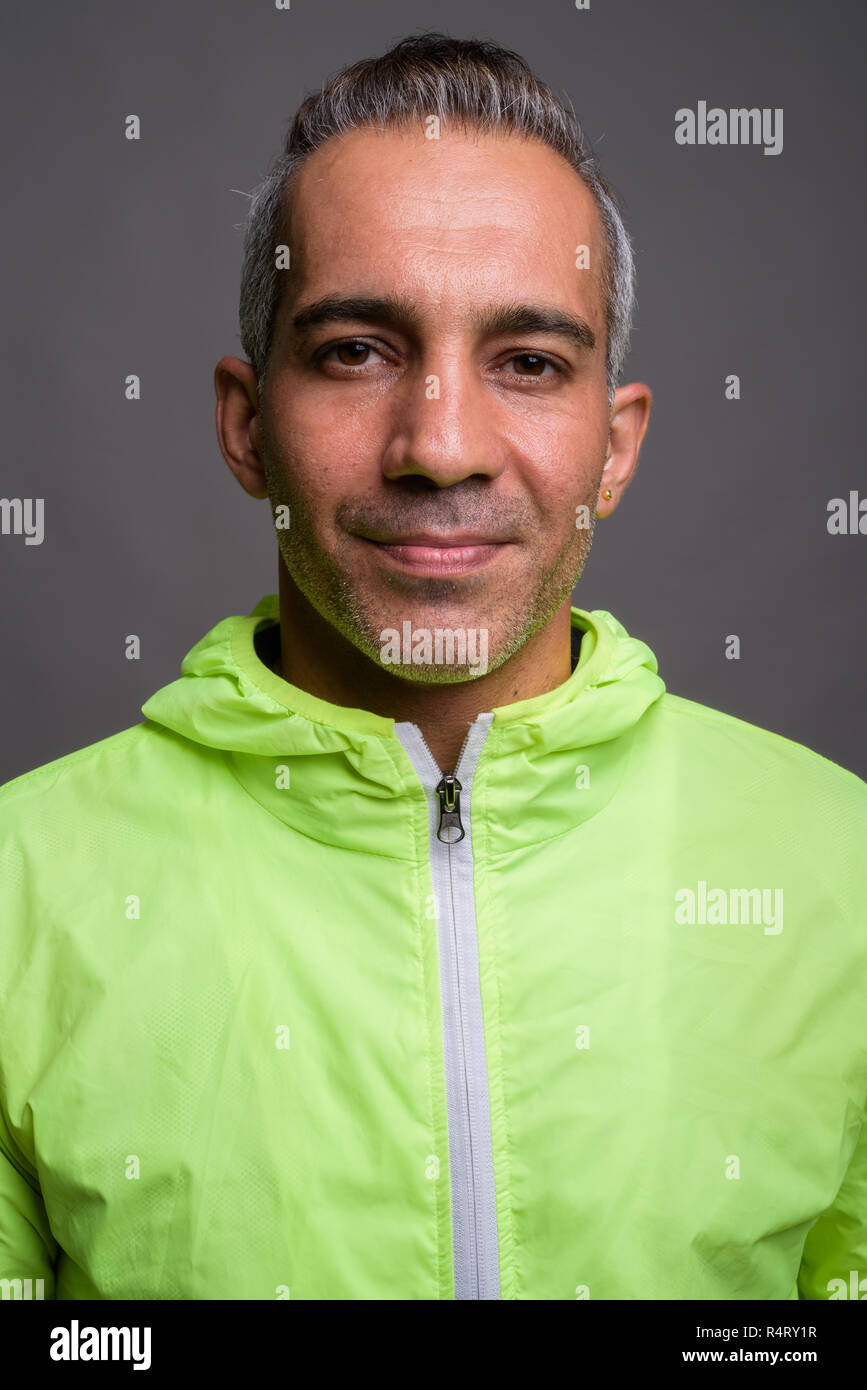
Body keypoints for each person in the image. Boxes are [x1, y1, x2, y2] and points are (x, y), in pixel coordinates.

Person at [1, 31, 864, 1303]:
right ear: (247, 425)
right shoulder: (19, 889)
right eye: (356, 348)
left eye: (528, 362)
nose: (441, 446)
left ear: (614, 449)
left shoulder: (842, 867)